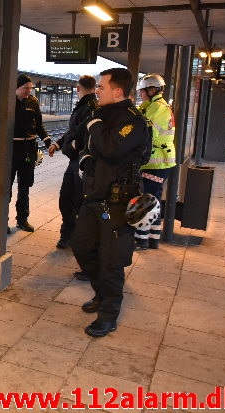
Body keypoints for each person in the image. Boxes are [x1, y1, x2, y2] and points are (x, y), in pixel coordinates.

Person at [72, 67, 152, 337]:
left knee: (111, 261)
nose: (97, 91)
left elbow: (110, 148)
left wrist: (94, 128)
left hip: (117, 202)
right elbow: (86, 146)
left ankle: (108, 314)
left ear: (118, 91)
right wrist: (84, 158)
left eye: (102, 87)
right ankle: (101, 292)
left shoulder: (134, 121)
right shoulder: (100, 115)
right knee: (82, 248)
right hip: (92, 196)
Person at [48, 75, 98, 251]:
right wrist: (59, 143)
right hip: (74, 160)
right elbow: (72, 131)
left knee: (77, 201)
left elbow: (80, 133)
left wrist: (73, 145)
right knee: (66, 198)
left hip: (81, 160)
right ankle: (69, 234)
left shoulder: (91, 107)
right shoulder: (84, 106)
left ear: (77, 88)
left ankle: (79, 238)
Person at [135, 74, 176, 249]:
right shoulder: (152, 105)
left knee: (149, 200)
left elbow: (145, 130)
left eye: (142, 91)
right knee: (153, 198)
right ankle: (152, 238)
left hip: (157, 162)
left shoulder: (158, 108)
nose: (140, 95)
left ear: (152, 90)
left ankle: (142, 239)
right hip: (156, 161)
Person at [10, 74, 52, 232]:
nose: (29, 91)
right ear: (17, 87)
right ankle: (2, 220)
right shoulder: (8, 101)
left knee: (25, 186)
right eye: (25, 88)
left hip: (28, 149)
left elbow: (39, 125)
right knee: (5, 187)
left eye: (30, 88)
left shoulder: (33, 102)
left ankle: (22, 219)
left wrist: (48, 141)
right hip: (11, 149)